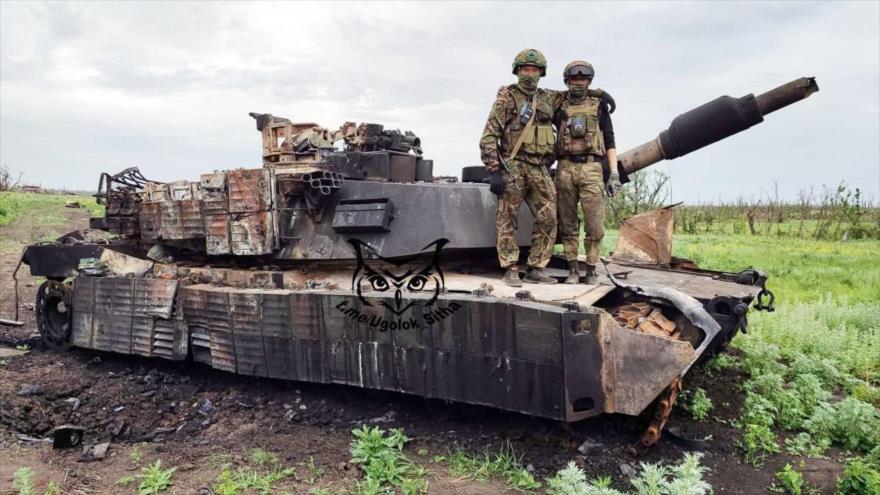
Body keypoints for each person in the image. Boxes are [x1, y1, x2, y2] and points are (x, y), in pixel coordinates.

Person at [479, 49, 560, 287]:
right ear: (517, 71)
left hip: (539, 167)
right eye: (525, 69)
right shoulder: (507, 98)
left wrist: (599, 93)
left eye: (534, 70)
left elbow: (576, 98)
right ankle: (511, 267)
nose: (529, 74)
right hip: (513, 165)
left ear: (541, 73)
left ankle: (537, 267)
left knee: (548, 217)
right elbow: (489, 135)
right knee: (507, 218)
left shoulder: (549, 98)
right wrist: (493, 170)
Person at [554, 60, 619, 284]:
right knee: (568, 223)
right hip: (565, 167)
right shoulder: (559, 105)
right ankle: (573, 269)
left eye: (583, 78)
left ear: (589, 80)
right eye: (574, 78)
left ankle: (591, 269)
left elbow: (609, 140)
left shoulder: (599, 106)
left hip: (592, 167)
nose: (578, 82)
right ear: (567, 81)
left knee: (595, 224)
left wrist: (614, 173)